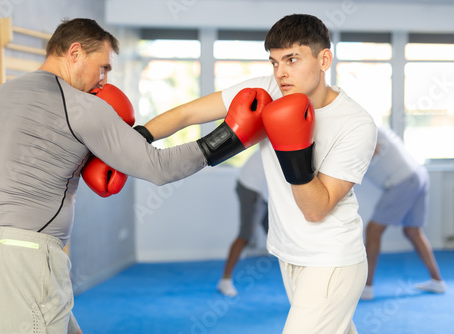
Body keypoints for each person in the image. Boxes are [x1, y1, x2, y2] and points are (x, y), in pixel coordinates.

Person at [0, 18, 268, 334]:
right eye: (103, 67)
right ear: (74, 53)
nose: (104, 80)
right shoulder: (80, 106)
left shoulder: (4, 92)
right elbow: (159, 167)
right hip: (25, 256)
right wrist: (230, 137)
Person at [137, 14, 377, 333]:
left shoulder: (355, 123)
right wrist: (136, 139)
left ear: (324, 59)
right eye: (274, 62)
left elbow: (316, 209)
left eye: (292, 60)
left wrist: (294, 148)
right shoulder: (265, 91)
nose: (281, 73)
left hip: (331, 258)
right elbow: (188, 112)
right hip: (289, 253)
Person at [360, 127, 446, 300]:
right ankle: (437, 281)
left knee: (373, 231)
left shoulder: (364, 130)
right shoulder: (369, 129)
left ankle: (367, 288)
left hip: (403, 181)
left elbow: (371, 149)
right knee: (412, 231)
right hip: (417, 175)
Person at [217, 150, 269, 297]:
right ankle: (225, 280)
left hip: (264, 190)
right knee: (246, 235)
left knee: (279, 236)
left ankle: (297, 283)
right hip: (251, 187)